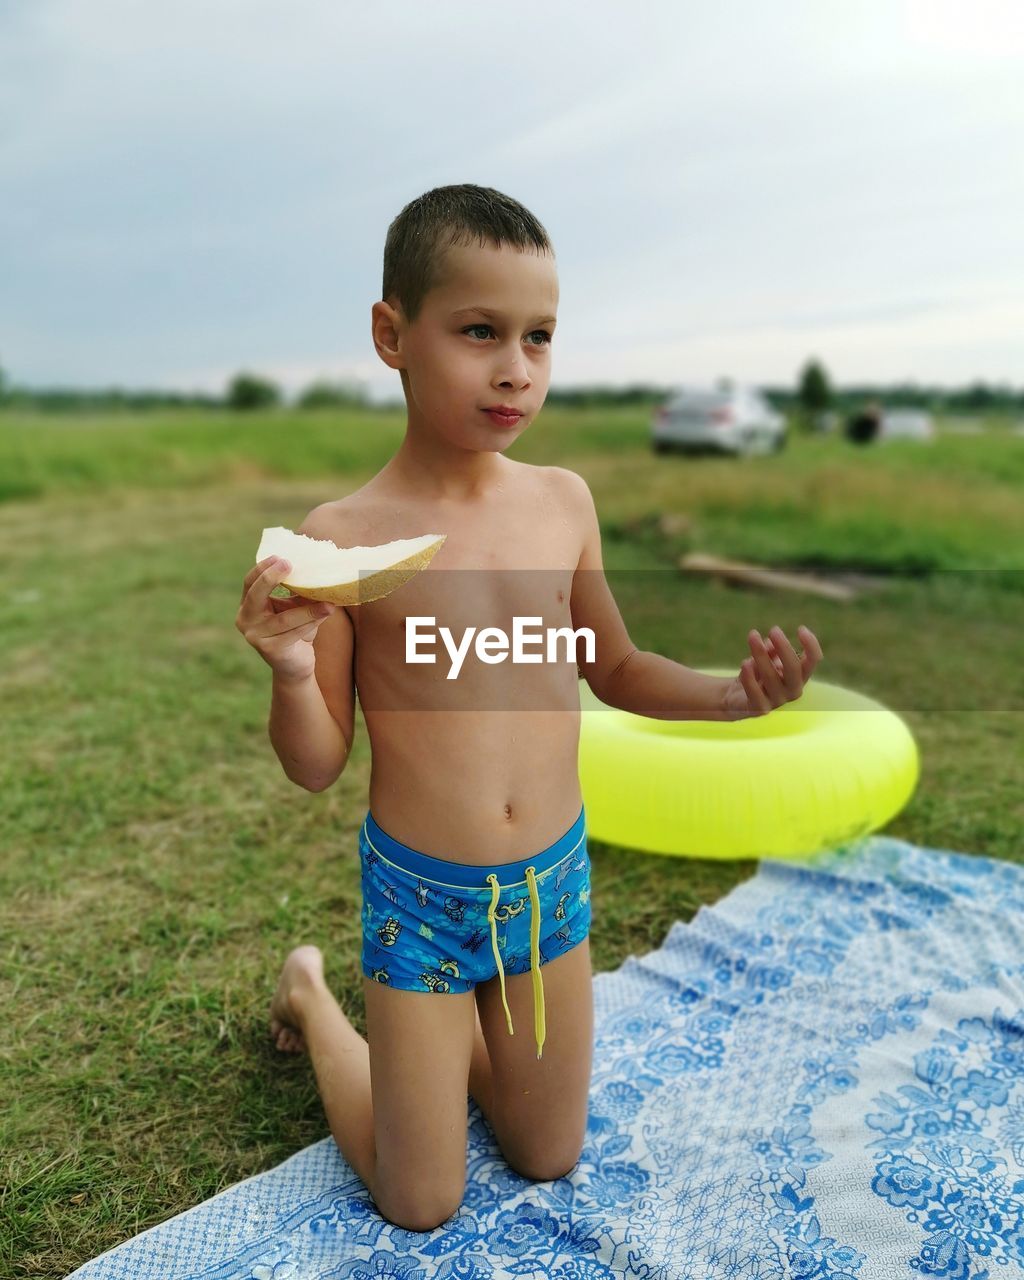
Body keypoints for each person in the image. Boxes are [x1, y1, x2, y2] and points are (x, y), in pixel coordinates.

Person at [234, 183, 823, 1232]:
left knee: (547, 1153)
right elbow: (318, 761)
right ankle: (315, 993)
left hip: (547, 890)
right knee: (421, 1198)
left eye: (539, 337)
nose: (516, 367)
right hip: (421, 901)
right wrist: (288, 669)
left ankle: (446, 1028)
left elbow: (618, 665)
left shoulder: (562, 502)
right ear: (391, 334)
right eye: (478, 331)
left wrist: (732, 698)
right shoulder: (345, 532)